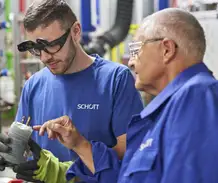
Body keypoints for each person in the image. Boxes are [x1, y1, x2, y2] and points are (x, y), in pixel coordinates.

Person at [36, 8, 218, 183]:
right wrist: (79, 144)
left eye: (135, 50)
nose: (130, 62)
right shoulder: (169, 112)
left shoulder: (197, 97)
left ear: (167, 49)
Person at [0, 0, 143, 182]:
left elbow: (129, 157)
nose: (45, 57)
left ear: (76, 31)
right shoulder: (34, 85)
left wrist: (77, 156)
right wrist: (9, 151)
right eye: (36, 49)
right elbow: (28, 148)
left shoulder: (116, 79)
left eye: (52, 45)